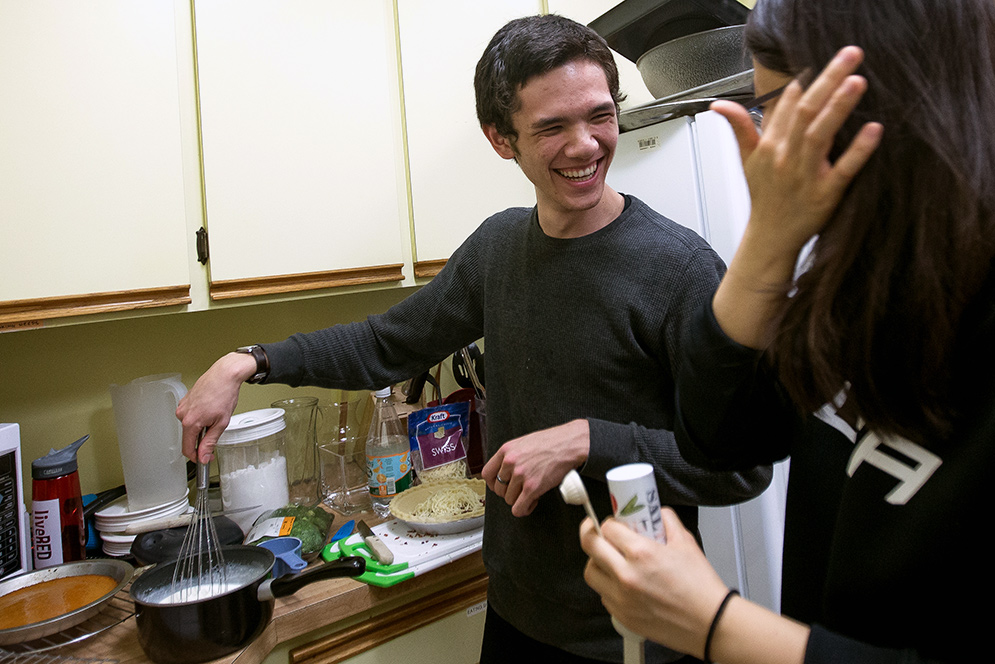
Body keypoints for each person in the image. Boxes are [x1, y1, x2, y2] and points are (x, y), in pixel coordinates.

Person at [177, 14, 771, 664]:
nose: (586, 145)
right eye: (551, 127)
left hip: (635, 633)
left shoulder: (678, 269)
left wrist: (586, 440)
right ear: (500, 139)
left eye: (600, 116)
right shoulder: (498, 247)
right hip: (515, 613)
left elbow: (740, 467)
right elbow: (386, 345)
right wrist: (247, 362)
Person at [579, 0, 995, 662]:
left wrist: (710, 624)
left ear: (885, 100)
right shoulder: (867, 273)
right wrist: (768, 235)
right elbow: (720, 437)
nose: (769, 147)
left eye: (779, 114)